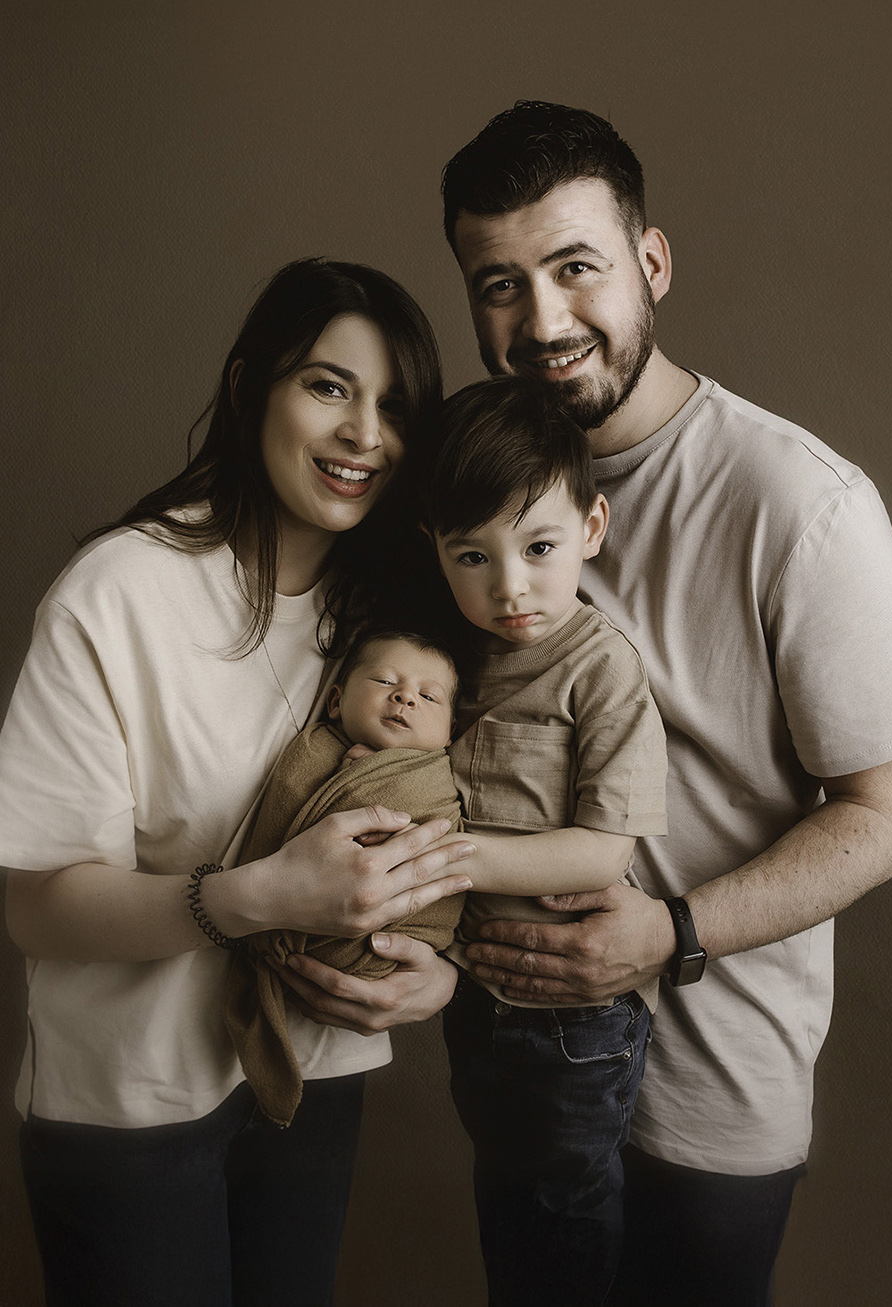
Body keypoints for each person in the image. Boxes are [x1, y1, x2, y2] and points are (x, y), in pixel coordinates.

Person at [433, 101, 892, 1305]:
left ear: (651, 264)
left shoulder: (803, 509)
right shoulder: (476, 493)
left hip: (710, 1091)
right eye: (500, 284)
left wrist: (672, 931)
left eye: (575, 267)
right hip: (522, 1058)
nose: (542, 321)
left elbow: (885, 811)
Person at [0, 257, 475, 1307]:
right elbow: (35, 905)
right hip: (129, 1106)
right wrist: (253, 896)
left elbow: (460, 826)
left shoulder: (400, 620)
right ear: (247, 385)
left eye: (393, 405)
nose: (363, 434)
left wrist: (438, 966)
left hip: (312, 1086)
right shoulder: (119, 593)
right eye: (327, 386)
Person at [418, 375, 667, 1306]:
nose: (510, 584)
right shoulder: (454, 656)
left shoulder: (601, 667)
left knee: (566, 1218)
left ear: (592, 530)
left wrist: (458, 858)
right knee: (508, 1206)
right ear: (435, 554)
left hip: (576, 1022)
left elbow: (605, 852)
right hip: (478, 996)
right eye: (472, 556)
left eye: (540, 546)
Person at [225, 630, 466, 1128]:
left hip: (387, 949)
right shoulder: (310, 753)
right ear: (335, 700)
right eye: (385, 681)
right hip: (268, 924)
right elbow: (281, 827)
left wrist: (371, 786)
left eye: (428, 696)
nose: (405, 697)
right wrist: (343, 784)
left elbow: (442, 846)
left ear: (449, 732)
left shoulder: (442, 782)